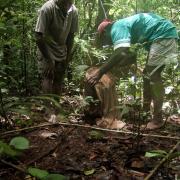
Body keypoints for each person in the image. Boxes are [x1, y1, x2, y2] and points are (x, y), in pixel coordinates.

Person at [87, 13, 178, 130]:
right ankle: (145, 113)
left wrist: (100, 72)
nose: (107, 43)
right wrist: (110, 67)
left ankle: (157, 120)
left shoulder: (117, 27)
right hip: (162, 34)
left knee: (153, 75)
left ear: (105, 32)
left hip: (163, 34)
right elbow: (129, 56)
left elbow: (121, 51)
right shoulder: (125, 28)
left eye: (104, 40)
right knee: (147, 74)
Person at [35, 0, 78, 94]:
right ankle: (47, 108)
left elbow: (71, 36)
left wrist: (67, 56)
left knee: (59, 76)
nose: (67, 6)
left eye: (69, 3)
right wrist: (49, 60)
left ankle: (56, 106)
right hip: (46, 48)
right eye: (64, 3)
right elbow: (38, 36)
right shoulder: (47, 8)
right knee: (48, 76)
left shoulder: (73, 11)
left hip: (61, 48)